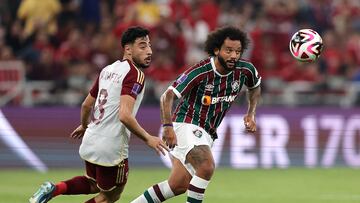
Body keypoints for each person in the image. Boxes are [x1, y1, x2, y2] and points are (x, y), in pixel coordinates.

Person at [29, 26, 169, 203]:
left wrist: (84, 125)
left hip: (91, 138)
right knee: (110, 196)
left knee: (94, 183)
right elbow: (125, 115)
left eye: (149, 46)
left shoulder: (108, 70)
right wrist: (149, 138)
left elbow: (86, 104)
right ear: (127, 49)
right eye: (142, 46)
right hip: (111, 148)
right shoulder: (135, 74)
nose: (149, 51)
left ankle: (53, 189)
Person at [131, 26, 261, 203]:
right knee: (206, 166)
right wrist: (168, 127)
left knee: (177, 185)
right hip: (185, 124)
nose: (233, 56)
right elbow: (167, 96)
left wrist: (250, 113)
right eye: (228, 50)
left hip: (207, 132)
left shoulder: (245, 70)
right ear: (216, 50)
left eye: (238, 51)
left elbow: (254, 87)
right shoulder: (200, 71)